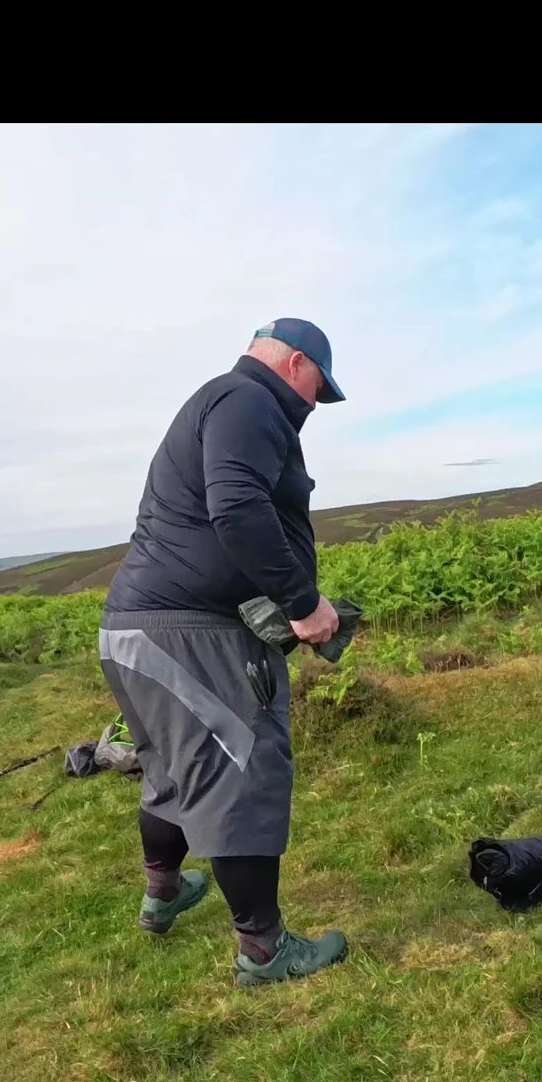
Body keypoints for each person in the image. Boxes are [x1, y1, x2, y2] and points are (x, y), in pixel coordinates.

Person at [96, 319, 351, 987]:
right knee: (243, 766)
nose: (312, 409)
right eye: (317, 391)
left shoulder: (220, 402)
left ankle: (164, 890)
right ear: (297, 363)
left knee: (175, 771)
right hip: (186, 632)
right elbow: (237, 508)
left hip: (138, 626)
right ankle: (265, 950)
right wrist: (302, 604)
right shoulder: (248, 401)